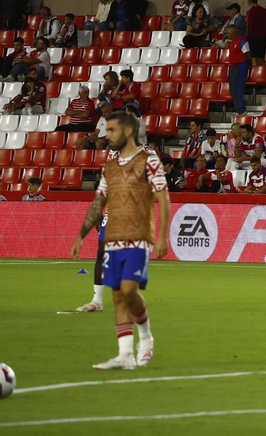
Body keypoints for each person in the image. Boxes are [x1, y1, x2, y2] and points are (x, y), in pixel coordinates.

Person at [70, 109, 169, 369]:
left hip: (139, 236)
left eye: (111, 130)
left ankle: (146, 337)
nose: (107, 136)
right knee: (116, 295)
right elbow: (99, 201)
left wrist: (162, 235)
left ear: (127, 131)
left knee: (128, 291)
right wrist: (81, 235)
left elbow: (163, 197)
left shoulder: (149, 160)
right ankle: (125, 354)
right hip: (113, 234)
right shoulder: (110, 166)